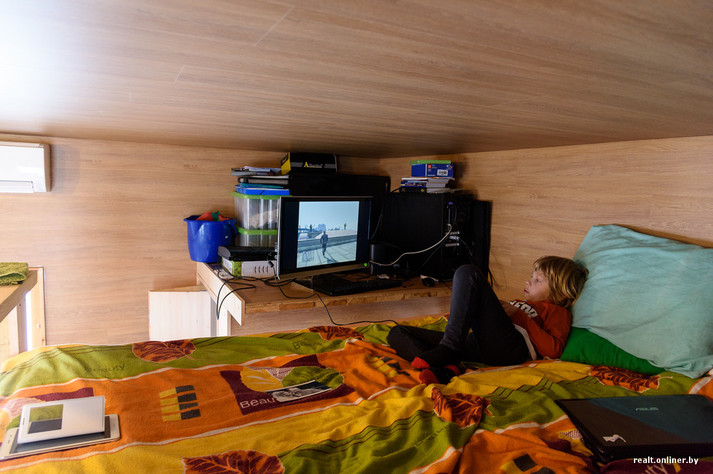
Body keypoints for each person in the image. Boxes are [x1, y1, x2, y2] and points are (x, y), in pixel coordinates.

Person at [387, 256, 588, 385]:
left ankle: (448, 349)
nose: (528, 281)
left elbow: (553, 350)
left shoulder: (557, 311)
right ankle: (445, 369)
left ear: (560, 293)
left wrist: (520, 315)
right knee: (397, 332)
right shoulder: (519, 302)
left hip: (510, 348)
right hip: (477, 344)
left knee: (468, 273)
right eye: (531, 276)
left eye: (537, 280)